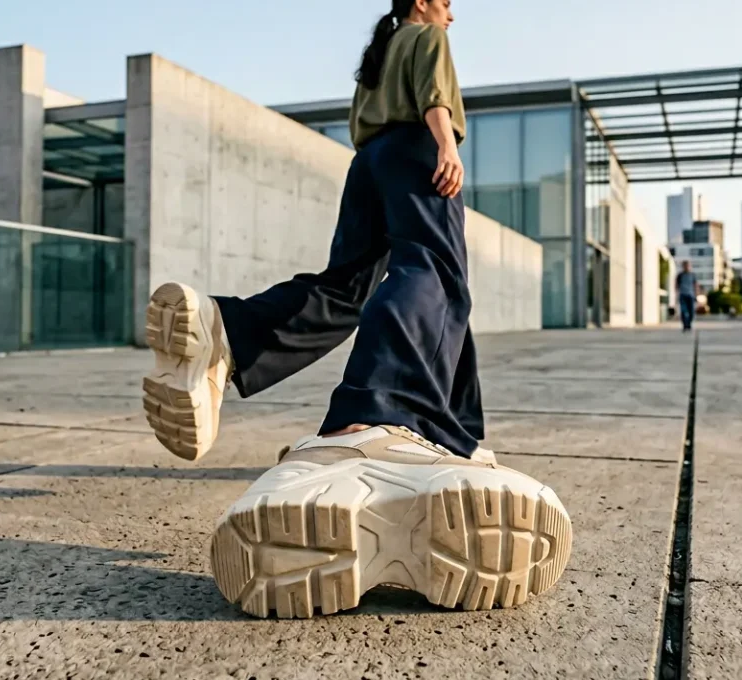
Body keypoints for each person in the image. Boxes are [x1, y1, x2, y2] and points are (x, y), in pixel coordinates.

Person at [140, 0, 571, 619]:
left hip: (368, 163)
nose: (452, 15)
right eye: (448, 3)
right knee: (433, 271)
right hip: (418, 149)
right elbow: (435, 96)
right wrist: (445, 146)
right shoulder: (424, 36)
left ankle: (228, 329)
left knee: (345, 286)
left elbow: (366, 122)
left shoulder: (380, 54)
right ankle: (376, 419)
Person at [676, 260, 700, 332]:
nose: (686, 267)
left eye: (688, 265)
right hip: (682, 295)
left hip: (691, 295)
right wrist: (677, 294)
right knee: (683, 311)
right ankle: (685, 325)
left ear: (690, 266)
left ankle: (689, 324)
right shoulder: (680, 275)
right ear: (683, 267)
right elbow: (677, 285)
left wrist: (697, 294)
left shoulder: (693, 275)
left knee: (691, 312)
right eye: (685, 266)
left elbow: (696, 285)